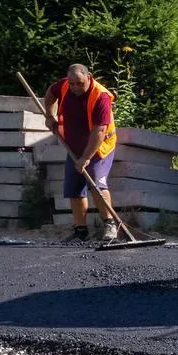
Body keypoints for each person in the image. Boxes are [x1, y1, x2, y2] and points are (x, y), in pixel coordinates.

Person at [43, 64, 119, 242]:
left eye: (79, 83)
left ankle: (110, 224)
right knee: (74, 187)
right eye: (72, 84)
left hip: (100, 146)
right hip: (74, 147)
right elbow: (50, 93)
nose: (75, 87)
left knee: (97, 182)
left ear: (89, 77)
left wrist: (86, 158)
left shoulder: (101, 97)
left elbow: (99, 131)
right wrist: (49, 116)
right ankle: (80, 231)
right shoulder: (63, 85)